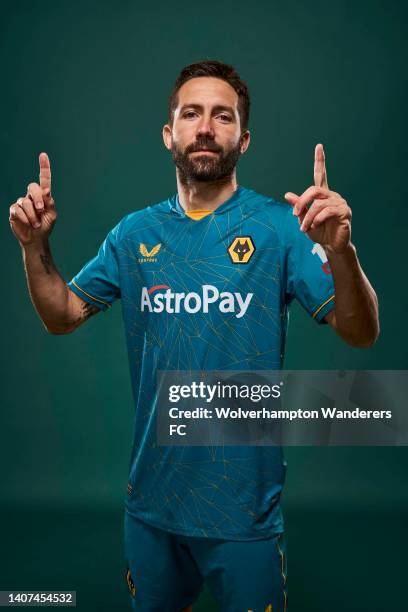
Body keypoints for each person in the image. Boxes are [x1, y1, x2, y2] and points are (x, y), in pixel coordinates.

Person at [9, 60, 379, 612]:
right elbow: (62, 314)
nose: (206, 127)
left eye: (222, 116)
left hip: (243, 515)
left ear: (244, 138)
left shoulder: (283, 227)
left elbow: (361, 333)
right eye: (191, 113)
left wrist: (342, 251)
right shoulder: (134, 235)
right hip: (151, 509)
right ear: (169, 133)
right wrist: (33, 246)